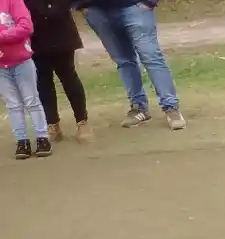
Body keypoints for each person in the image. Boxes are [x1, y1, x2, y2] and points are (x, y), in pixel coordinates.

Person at [74, 0, 184, 129]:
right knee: (123, 61)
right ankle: (138, 107)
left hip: (135, 6)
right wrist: (81, 5)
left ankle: (171, 107)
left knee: (151, 57)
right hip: (96, 10)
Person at [28, 0, 89, 142]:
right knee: (43, 82)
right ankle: (52, 123)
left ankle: (82, 121)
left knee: (69, 78)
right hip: (35, 37)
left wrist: (55, 9)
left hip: (61, 34)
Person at [0, 0, 51, 158]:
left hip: (21, 60)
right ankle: (22, 140)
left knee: (31, 99)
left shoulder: (12, 2)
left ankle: (42, 137)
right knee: (12, 104)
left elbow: (26, 27)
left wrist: (2, 37)